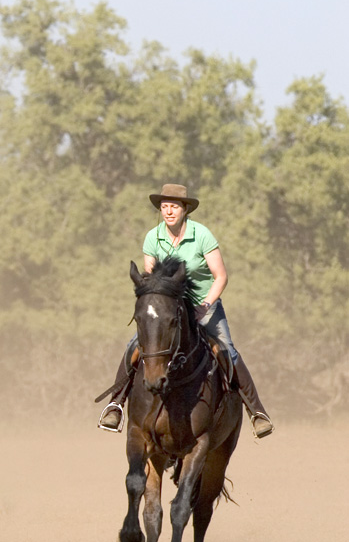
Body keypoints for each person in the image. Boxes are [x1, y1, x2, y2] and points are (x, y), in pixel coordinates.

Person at [97, 183, 273, 438]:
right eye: (165, 206)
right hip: (167, 310)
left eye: (174, 206)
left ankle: (257, 412)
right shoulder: (152, 237)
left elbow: (221, 276)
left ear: (185, 209)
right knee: (134, 346)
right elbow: (151, 282)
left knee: (227, 349)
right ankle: (115, 405)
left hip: (204, 304)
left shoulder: (201, 235)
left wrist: (205, 306)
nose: (169, 211)